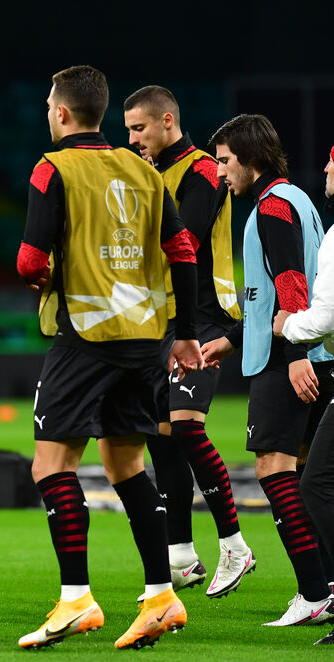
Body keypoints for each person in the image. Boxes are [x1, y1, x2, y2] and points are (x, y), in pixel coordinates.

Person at [16, 65, 203, 650]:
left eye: (51, 105)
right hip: (147, 338)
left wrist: (45, 275)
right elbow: (184, 252)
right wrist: (185, 332)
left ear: (64, 113)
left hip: (86, 337)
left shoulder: (53, 169)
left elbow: (27, 261)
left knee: (51, 465)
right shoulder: (144, 169)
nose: (49, 113)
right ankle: (160, 596)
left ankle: (76, 599)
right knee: (125, 467)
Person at [122, 85, 255, 597]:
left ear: (168, 121)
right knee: (162, 436)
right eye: (129, 129)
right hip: (165, 320)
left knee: (186, 429)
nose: (133, 138)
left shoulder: (202, 169)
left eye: (140, 128)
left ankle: (235, 545)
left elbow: (187, 237)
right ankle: (181, 556)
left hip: (204, 318)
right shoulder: (149, 172)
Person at [203, 114, 334, 627]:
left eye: (225, 161)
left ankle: (312, 590)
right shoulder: (296, 198)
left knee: (273, 472)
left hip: (291, 363)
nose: (220, 173)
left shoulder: (272, 206)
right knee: (307, 476)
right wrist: (233, 339)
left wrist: (294, 354)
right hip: (311, 356)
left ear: (250, 160)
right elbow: (267, 294)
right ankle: (324, 586)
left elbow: (292, 284)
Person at [274, 144, 334, 645]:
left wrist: (288, 328)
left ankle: (327, 590)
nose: (328, 168)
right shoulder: (307, 207)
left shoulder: (277, 206)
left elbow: (325, 316)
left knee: (314, 483)